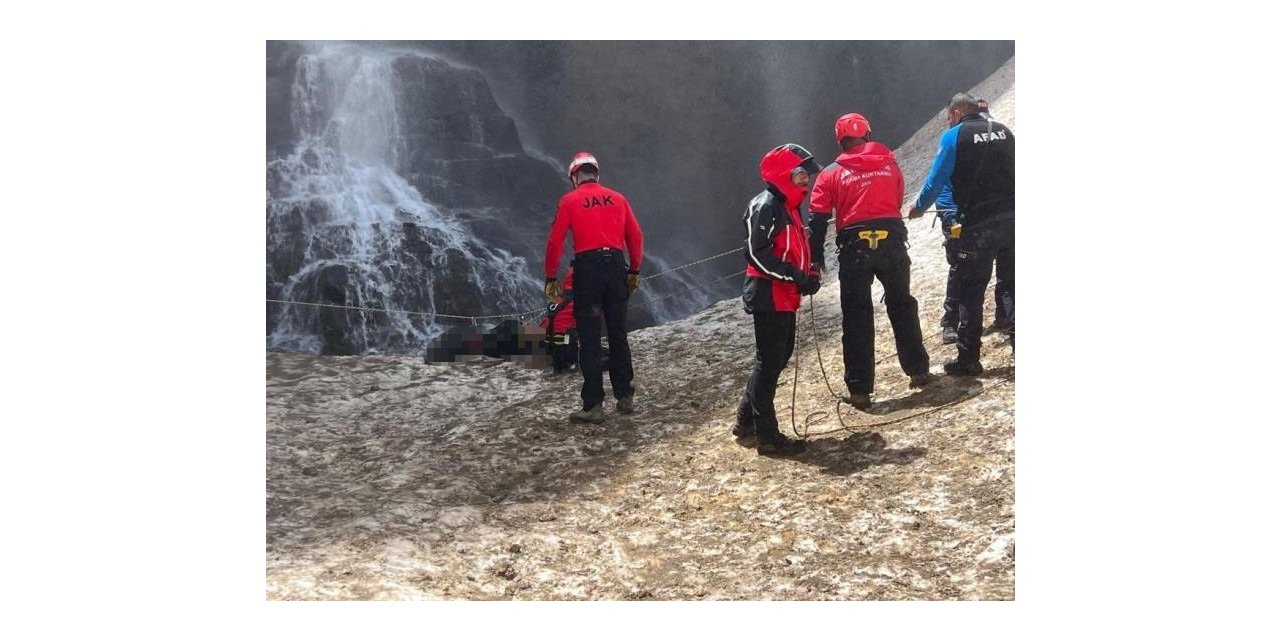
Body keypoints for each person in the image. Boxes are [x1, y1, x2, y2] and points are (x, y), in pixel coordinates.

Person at [807, 113, 933, 410]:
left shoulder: (830, 174)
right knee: (902, 303)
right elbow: (898, 197)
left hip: (854, 247)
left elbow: (817, 218)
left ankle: (860, 389)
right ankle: (918, 370)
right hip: (891, 240)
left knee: (857, 314)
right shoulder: (889, 162)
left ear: (840, 140)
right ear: (867, 133)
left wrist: (815, 260)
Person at [908, 93, 1014, 375]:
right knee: (1013, 285)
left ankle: (969, 358)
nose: (947, 123)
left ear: (956, 113)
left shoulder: (954, 137)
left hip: (978, 225)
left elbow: (936, 180)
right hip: (1014, 219)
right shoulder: (1003, 131)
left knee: (970, 290)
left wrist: (918, 208)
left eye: (948, 119)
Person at [733, 143, 823, 457]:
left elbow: (793, 248)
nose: (806, 181)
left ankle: (745, 421)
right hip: (767, 295)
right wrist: (797, 276)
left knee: (775, 358)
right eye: (800, 175)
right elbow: (757, 255)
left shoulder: (787, 207)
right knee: (769, 361)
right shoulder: (766, 205)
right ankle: (767, 437)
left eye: (806, 175)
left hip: (783, 294)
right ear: (783, 175)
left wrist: (807, 272)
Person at [544, 152, 644, 423]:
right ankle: (624, 396)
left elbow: (556, 242)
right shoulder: (618, 198)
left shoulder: (569, 200)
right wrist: (634, 270)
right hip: (615, 267)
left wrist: (551, 276)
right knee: (618, 334)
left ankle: (593, 406)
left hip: (587, 271)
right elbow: (635, 236)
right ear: (596, 174)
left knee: (588, 338)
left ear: (575, 177)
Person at [934, 98, 1010, 345]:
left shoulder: (967, 139)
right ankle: (950, 321)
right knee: (962, 270)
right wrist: (949, 215)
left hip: (982, 219)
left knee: (978, 279)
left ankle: (996, 321)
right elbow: (944, 185)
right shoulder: (960, 141)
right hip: (963, 216)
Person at [540, 268, 578, 374]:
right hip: (565, 336)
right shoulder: (577, 301)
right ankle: (569, 364)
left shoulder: (558, 300)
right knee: (569, 343)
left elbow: (549, 320)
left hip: (552, 337)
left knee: (558, 351)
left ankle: (558, 366)